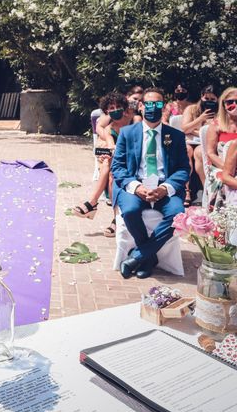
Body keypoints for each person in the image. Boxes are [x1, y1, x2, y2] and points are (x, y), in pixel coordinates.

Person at [111, 87, 189, 279]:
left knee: (177, 215)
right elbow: (118, 167)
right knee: (129, 211)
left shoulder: (176, 136)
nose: (153, 108)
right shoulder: (127, 133)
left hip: (165, 186)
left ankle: (138, 256)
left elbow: (183, 169)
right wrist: (136, 187)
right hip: (136, 185)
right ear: (141, 106)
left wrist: (165, 188)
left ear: (164, 107)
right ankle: (149, 258)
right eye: (149, 104)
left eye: (158, 104)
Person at [73, 91, 134, 237]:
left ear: (124, 108)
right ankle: (116, 219)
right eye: (111, 108)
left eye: (118, 106)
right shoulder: (108, 129)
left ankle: (93, 203)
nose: (115, 110)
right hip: (118, 163)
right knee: (110, 169)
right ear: (106, 111)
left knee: (109, 165)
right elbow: (111, 146)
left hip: (135, 160)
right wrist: (107, 151)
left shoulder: (134, 121)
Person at [180, 85, 218, 202]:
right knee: (186, 151)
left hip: (206, 143)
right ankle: (186, 190)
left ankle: (207, 190)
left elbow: (213, 132)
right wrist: (200, 119)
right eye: (207, 99)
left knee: (200, 152)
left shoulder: (219, 112)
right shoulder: (191, 109)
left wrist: (195, 131)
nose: (209, 102)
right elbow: (185, 129)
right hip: (189, 141)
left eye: (213, 99)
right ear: (202, 97)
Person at [205, 86, 237, 210]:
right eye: (230, 102)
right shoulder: (216, 125)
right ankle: (222, 215)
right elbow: (210, 153)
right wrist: (227, 168)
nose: (234, 105)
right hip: (219, 166)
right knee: (223, 181)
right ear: (223, 104)